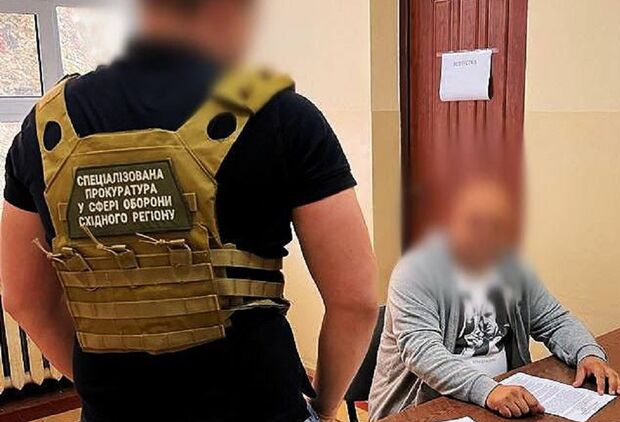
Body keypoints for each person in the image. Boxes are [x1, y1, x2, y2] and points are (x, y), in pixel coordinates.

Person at [1, 1, 378, 421]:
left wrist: (101, 389)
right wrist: (324, 406)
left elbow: (23, 298)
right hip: (262, 408)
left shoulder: (41, 128)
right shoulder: (283, 115)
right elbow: (355, 301)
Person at [368, 178, 620, 420]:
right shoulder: (415, 272)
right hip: (426, 407)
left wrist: (587, 354)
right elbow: (422, 351)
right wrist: (488, 391)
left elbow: (554, 320)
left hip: (501, 398)